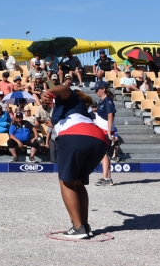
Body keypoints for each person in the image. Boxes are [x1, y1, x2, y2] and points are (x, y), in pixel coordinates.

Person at [40, 85, 108, 239]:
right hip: (98, 140)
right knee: (77, 183)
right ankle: (84, 225)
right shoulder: (75, 107)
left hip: (75, 137)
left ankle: (78, 228)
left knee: (67, 182)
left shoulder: (71, 97)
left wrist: (48, 91)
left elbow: (64, 87)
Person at [92, 81, 117, 187]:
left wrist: (109, 132)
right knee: (104, 155)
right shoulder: (101, 101)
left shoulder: (108, 101)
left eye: (97, 89)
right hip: (101, 130)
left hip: (105, 131)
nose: (96, 92)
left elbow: (110, 116)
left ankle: (106, 178)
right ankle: (108, 178)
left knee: (104, 154)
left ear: (103, 89)